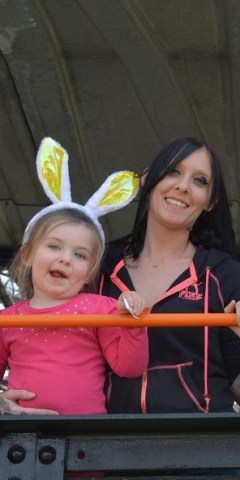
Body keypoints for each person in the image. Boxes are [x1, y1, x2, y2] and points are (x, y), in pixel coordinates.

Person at [98, 137, 240, 416]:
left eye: (200, 181)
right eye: (173, 171)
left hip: (202, 447)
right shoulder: (101, 265)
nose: (182, 186)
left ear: (211, 201)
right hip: (106, 446)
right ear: (147, 179)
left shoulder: (225, 274)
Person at [0, 137, 148, 415]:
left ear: (90, 271)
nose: (65, 258)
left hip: (86, 437)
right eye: (54, 246)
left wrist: (133, 324)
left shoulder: (100, 308)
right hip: (21, 437)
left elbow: (128, 368)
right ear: (28, 255)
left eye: (80, 255)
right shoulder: (7, 319)